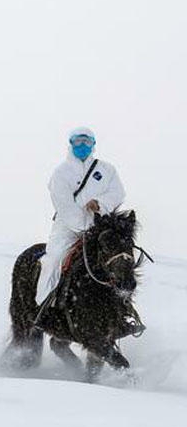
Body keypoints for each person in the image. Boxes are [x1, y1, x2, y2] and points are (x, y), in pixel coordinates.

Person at [38, 127, 126, 299]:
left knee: (120, 258)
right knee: (54, 260)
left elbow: (118, 193)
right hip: (67, 228)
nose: (82, 145)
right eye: (78, 141)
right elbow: (64, 204)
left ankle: (124, 307)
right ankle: (43, 305)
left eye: (87, 141)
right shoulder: (61, 173)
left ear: (93, 144)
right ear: (71, 144)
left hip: (100, 225)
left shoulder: (107, 170)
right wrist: (84, 226)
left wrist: (100, 204)